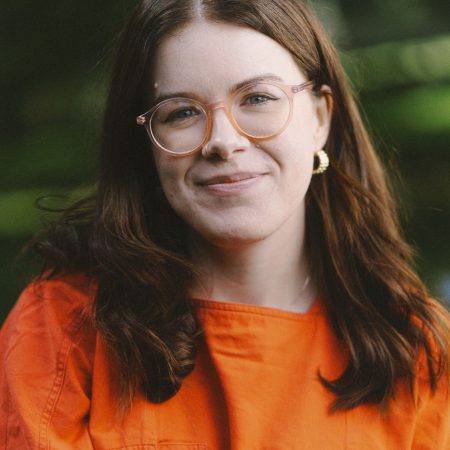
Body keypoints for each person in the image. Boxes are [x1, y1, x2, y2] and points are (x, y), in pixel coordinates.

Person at [1, 0, 449, 448]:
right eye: (181, 112)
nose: (223, 141)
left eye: (257, 98)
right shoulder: (63, 326)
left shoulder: (416, 351)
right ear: (147, 145)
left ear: (319, 118)